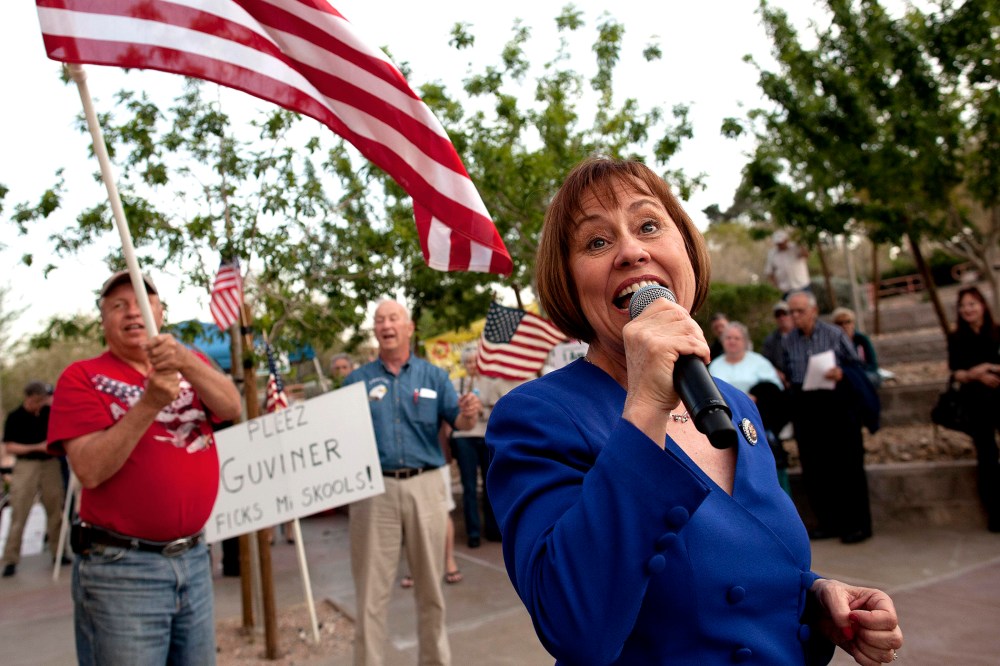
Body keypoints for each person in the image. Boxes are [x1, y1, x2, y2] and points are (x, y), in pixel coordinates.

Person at [486, 157, 902, 665]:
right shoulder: (536, 417)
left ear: (684, 248)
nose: (632, 250)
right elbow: (574, 625)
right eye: (597, 241)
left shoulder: (738, 404)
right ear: (569, 283)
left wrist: (813, 597)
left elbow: (740, 560)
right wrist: (645, 405)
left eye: (649, 225)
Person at [46, 270, 242, 664]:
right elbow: (90, 469)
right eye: (118, 306)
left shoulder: (193, 363)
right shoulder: (82, 378)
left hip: (194, 559)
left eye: (141, 303)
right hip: (123, 570)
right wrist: (149, 402)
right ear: (104, 321)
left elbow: (231, 407)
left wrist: (186, 359)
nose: (132, 312)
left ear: (160, 312)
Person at [343, 299, 482, 666]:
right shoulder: (355, 382)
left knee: (431, 590)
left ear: (409, 328)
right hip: (374, 493)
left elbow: (460, 424)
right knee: (371, 595)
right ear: (374, 331)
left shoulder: (434, 377)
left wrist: (469, 415)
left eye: (393, 318)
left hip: (426, 486)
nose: (386, 325)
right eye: (379, 320)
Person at [783, 290, 874, 544]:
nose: (795, 316)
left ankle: (857, 525)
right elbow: (789, 370)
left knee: (847, 466)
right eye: (791, 312)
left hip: (837, 404)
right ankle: (828, 522)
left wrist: (841, 373)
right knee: (815, 467)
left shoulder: (834, 334)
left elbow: (857, 366)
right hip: (806, 405)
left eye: (799, 311)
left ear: (813, 310)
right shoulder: (789, 341)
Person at [708, 322, 791, 494]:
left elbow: (775, 392)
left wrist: (755, 397)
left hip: (759, 423)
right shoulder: (715, 365)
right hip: (727, 423)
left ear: (745, 341)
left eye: (736, 338)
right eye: (728, 338)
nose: (732, 341)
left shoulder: (759, 362)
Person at [945, 286, 1000, 532]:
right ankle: (995, 513)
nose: (968, 309)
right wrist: (974, 374)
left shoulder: (997, 332)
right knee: (987, 457)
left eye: (972, 304)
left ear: (983, 306)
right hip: (977, 404)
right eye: (963, 305)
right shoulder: (957, 338)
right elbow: (955, 372)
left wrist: (990, 369)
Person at [2, 381, 66, 577]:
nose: (41, 404)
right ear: (29, 398)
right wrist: (37, 446)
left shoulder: (49, 413)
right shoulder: (15, 417)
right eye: (38, 400)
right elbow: (10, 446)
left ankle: (60, 552)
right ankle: (11, 559)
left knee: (56, 509)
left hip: (50, 464)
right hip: (26, 465)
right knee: (19, 511)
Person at [449, 346, 503, 548]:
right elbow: (453, 411)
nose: (472, 365)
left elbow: (498, 411)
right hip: (464, 438)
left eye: (475, 361)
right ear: (464, 365)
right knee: (469, 486)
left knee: (489, 484)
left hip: (485, 436)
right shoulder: (457, 384)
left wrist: (482, 410)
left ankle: (493, 529)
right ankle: (472, 532)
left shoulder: (492, 384)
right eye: (468, 362)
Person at [832, 307, 881, 388]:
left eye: (847, 322)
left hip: (864, 372)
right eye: (840, 323)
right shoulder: (832, 342)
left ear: (853, 324)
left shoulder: (861, 340)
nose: (844, 326)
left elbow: (872, 364)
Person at [765, 229, 811, 300]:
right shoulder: (772, 254)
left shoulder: (795, 247)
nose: (780, 245)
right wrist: (776, 286)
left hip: (802, 286)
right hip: (786, 289)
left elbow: (806, 255)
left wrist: (801, 242)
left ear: (786, 240)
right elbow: (769, 272)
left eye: (781, 242)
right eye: (778, 243)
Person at [761, 300, 795, 383]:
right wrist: (777, 373)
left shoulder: (801, 335)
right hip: (781, 382)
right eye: (778, 315)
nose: (782, 318)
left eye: (784, 313)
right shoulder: (770, 340)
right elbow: (765, 362)